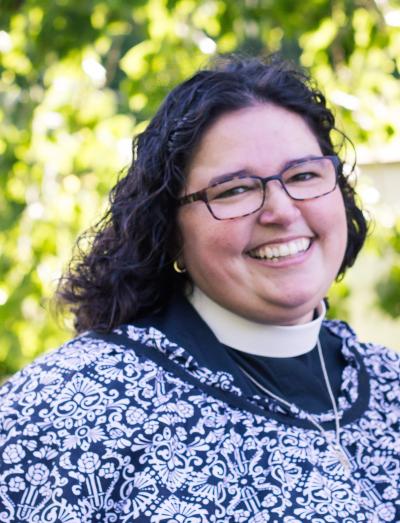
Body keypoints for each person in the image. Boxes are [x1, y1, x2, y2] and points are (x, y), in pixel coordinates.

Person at [0, 55, 398, 523]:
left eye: (304, 176)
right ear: (169, 231)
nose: (282, 211)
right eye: (234, 190)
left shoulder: (390, 383)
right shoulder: (62, 411)